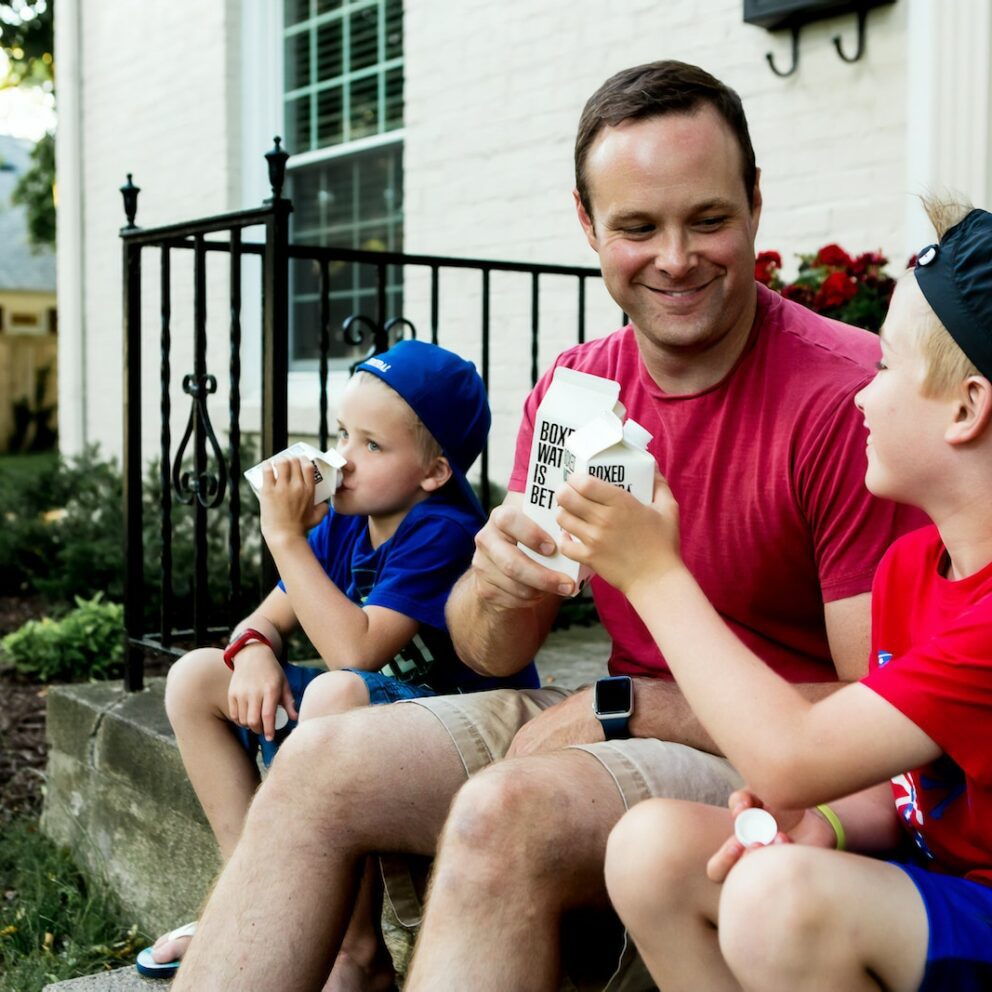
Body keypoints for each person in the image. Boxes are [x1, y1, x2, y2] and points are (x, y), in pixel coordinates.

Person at [170, 61, 922, 992]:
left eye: (709, 219)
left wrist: (628, 707)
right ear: (588, 226)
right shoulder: (577, 387)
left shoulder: (848, 400)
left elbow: (884, 717)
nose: (676, 257)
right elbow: (494, 652)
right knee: (320, 756)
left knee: (504, 811)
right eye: (638, 227)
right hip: (610, 726)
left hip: (761, 760)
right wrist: (493, 583)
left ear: (756, 205)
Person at [596, 201, 992, 992]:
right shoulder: (914, 568)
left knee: (777, 899)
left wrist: (651, 574)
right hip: (938, 885)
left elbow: (790, 757)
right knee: (652, 849)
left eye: (883, 366)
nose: (860, 395)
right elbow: (916, 786)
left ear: (966, 408)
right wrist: (830, 822)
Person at [137, 339, 538, 982]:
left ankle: (356, 953)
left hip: (452, 733)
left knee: (335, 693)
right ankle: (250, 898)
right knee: (195, 677)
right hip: (373, 717)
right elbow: (267, 617)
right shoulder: (351, 517)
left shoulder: (442, 529)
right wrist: (256, 651)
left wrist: (285, 536)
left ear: (433, 472)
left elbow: (356, 651)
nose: (341, 460)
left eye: (371, 445)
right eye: (341, 433)